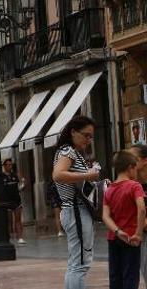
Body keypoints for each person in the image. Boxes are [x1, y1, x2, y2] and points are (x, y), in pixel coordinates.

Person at [52, 115, 100, 289]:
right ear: (73, 132)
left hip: (74, 210)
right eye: (86, 135)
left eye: (91, 136)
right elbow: (57, 175)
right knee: (80, 264)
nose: (89, 140)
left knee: (76, 263)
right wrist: (88, 175)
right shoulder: (68, 151)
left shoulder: (70, 152)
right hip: (76, 211)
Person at [102, 150, 144, 289]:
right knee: (130, 276)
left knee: (115, 276)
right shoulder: (134, 186)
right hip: (131, 238)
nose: (136, 173)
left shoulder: (109, 189)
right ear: (130, 168)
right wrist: (138, 233)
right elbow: (141, 208)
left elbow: (105, 216)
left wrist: (117, 231)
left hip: (114, 238)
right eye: (136, 170)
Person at [129, 143, 147, 285]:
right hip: (140, 237)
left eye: (132, 158)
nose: (128, 162)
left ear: (144, 160)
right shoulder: (132, 185)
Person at [1, 159, 26, 244]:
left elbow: (21, 186)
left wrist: (23, 183)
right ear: (4, 166)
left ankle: (20, 237)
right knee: (8, 221)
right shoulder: (1, 177)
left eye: (10, 165)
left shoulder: (15, 175)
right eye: (7, 165)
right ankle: (8, 237)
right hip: (6, 201)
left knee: (18, 220)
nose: (9, 166)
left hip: (16, 200)